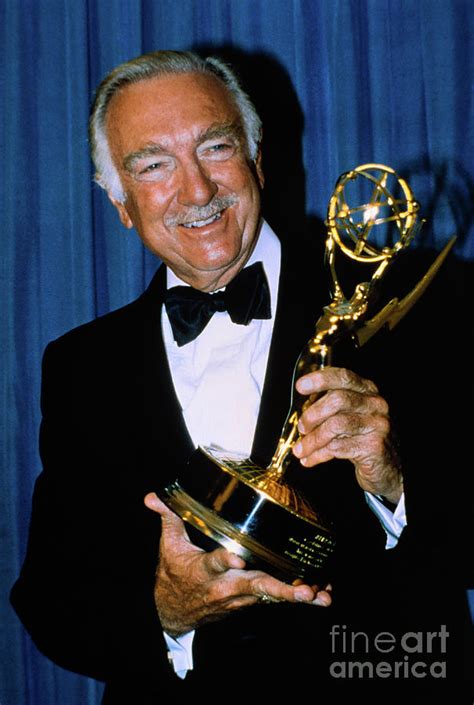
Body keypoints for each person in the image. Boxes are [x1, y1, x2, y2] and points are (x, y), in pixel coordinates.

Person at [11, 50, 472, 704]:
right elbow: (53, 600)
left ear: (258, 158)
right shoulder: (83, 366)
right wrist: (167, 611)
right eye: (152, 165)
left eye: (215, 147)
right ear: (120, 202)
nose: (196, 191)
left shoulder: (418, 302)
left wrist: (394, 479)